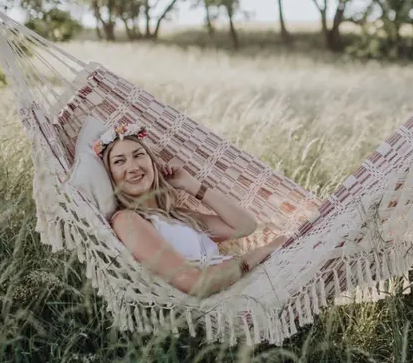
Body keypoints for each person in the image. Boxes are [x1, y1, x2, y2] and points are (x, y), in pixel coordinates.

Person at [95, 123, 286, 297]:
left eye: (138, 155)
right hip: (226, 294)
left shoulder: (176, 215)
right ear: (111, 176)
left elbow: (245, 226)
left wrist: (192, 185)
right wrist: (255, 256)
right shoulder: (127, 220)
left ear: (154, 164)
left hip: (238, 283)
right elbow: (194, 283)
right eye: (119, 161)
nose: (133, 167)